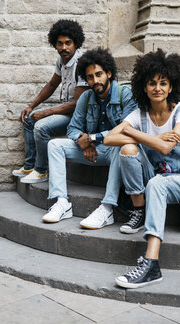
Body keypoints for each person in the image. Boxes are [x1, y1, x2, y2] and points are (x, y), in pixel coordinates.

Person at [104, 49, 180, 288]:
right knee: (127, 149)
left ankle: (151, 263)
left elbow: (165, 148)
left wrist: (131, 132)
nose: (157, 88)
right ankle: (139, 210)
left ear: (171, 87)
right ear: (144, 87)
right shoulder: (140, 114)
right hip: (155, 175)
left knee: (154, 178)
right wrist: (139, 137)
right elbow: (109, 139)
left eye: (163, 83)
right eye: (152, 83)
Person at [42, 48, 137, 228]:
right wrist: (82, 142)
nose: (95, 80)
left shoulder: (125, 94)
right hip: (93, 151)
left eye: (99, 74)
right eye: (90, 77)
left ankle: (107, 207)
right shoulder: (86, 97)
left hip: (113, 151)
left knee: (121, 145)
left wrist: (92, 138)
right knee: (55, 145)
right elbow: (72, 128)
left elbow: (126, 131)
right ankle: (62, 202)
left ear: (109, 73)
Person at [12, 19, 89, 184]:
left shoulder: (82, 64)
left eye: (68, 43)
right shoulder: (62, 60)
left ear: (76, 43)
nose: (63, 48)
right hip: (66, 110)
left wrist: (46, 112)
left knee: (41, 126)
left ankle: (41, 170)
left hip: (78, 116)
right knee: (29, 117)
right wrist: (31, 106)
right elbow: (52, 84)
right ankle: (30, 165)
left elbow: (77, 103)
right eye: (59, 44)